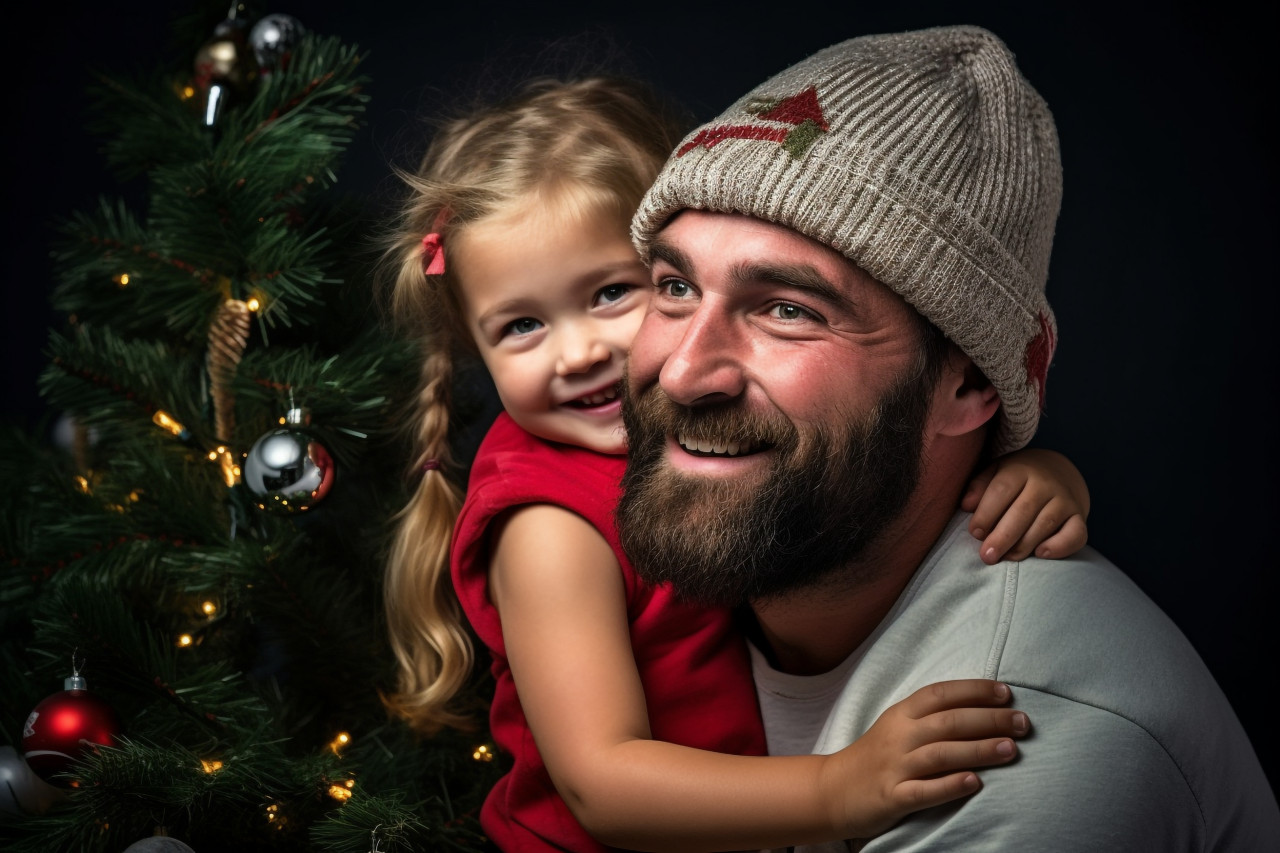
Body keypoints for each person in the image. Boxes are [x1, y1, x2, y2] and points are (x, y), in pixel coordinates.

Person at [378, 76, 1091, 853]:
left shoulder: (696, 436)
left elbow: (858, 476)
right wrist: (838, 787)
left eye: (618, 292)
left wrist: (1041, 472)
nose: (578, 352)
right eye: (520, 325)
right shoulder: (548, 523)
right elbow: (601, 783)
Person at [617, 24, 1280, 852]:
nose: (682, 372)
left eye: (787, 310)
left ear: (967, 385)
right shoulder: (653, 567)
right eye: (674, 286)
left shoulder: (1016, 740)